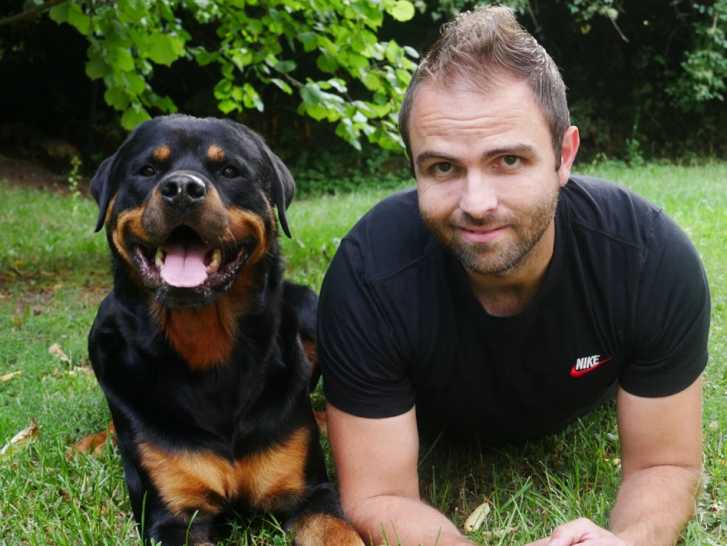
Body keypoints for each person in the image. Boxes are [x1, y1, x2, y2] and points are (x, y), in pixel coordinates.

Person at [316, 6, 710, 546]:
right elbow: (378, 496)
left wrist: (629, 542)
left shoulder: (649, 262)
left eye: (508, 161)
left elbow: (665, 464)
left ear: (564, 155)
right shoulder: (368, 278)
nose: (476, 203)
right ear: (414, 168)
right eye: (443, 167)